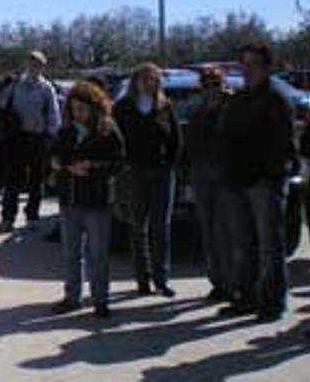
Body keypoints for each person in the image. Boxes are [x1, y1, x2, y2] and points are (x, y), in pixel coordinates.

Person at [220, 45, 294, 323]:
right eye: (244, 64)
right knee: (245, 243)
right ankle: (247, 297)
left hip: (265, 182)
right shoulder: (239, 98)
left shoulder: (277, 98)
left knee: (269, 246)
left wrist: (268, 174)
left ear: (266, 67)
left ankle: (272, 302)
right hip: (239, 180)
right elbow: (227, 135)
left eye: (254, 64)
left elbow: (283, 144)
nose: (248, 69)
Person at [49, 81, 124, 318]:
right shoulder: (65, 131)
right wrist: (62, 166)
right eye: (73, 108)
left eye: (82, 108)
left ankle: (100, 300)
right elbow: (52, 157)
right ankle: (72, 297)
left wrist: (92, 167)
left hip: (96, 201)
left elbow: (119, 162)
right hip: (69, 200)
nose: (77, 113)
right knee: (71, 253)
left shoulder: (108, 130)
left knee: (98, 254)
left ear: (94, 107)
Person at [114, 63, 181, 297]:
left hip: (161, 173)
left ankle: (161, 279)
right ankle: (141, 279)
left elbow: (175, 140)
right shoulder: (123, 107)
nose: (148, 82)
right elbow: (116, 140)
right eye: (144, 78)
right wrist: (124, 167)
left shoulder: (164, 107)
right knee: (137, 227)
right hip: (134, 173)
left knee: (160, 228)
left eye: (153, 79)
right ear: (136, 81)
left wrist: (170, 165)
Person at [0, 51, 61, 233]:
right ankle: (8, 218)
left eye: (38, 64)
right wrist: (2, 87)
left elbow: (54, 116)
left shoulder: (47, 88)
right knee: (12, 180)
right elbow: (1, 103)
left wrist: (52, 138)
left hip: (37, 139)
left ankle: (32, 217)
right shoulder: (16, 84)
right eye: (31, 63)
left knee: (36, 181)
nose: (34, 66)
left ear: (43, 67)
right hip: (17, 138)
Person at [185, 67, 233, 302]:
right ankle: (218, 283)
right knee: (209, 231)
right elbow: (189, 143)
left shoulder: (234, 107)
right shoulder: (197, 110)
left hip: (227, 174)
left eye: (216, 83)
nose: (211, 88)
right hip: (201, 173)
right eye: (207, 84)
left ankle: (235, 282)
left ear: (223, 83)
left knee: (228, 231)